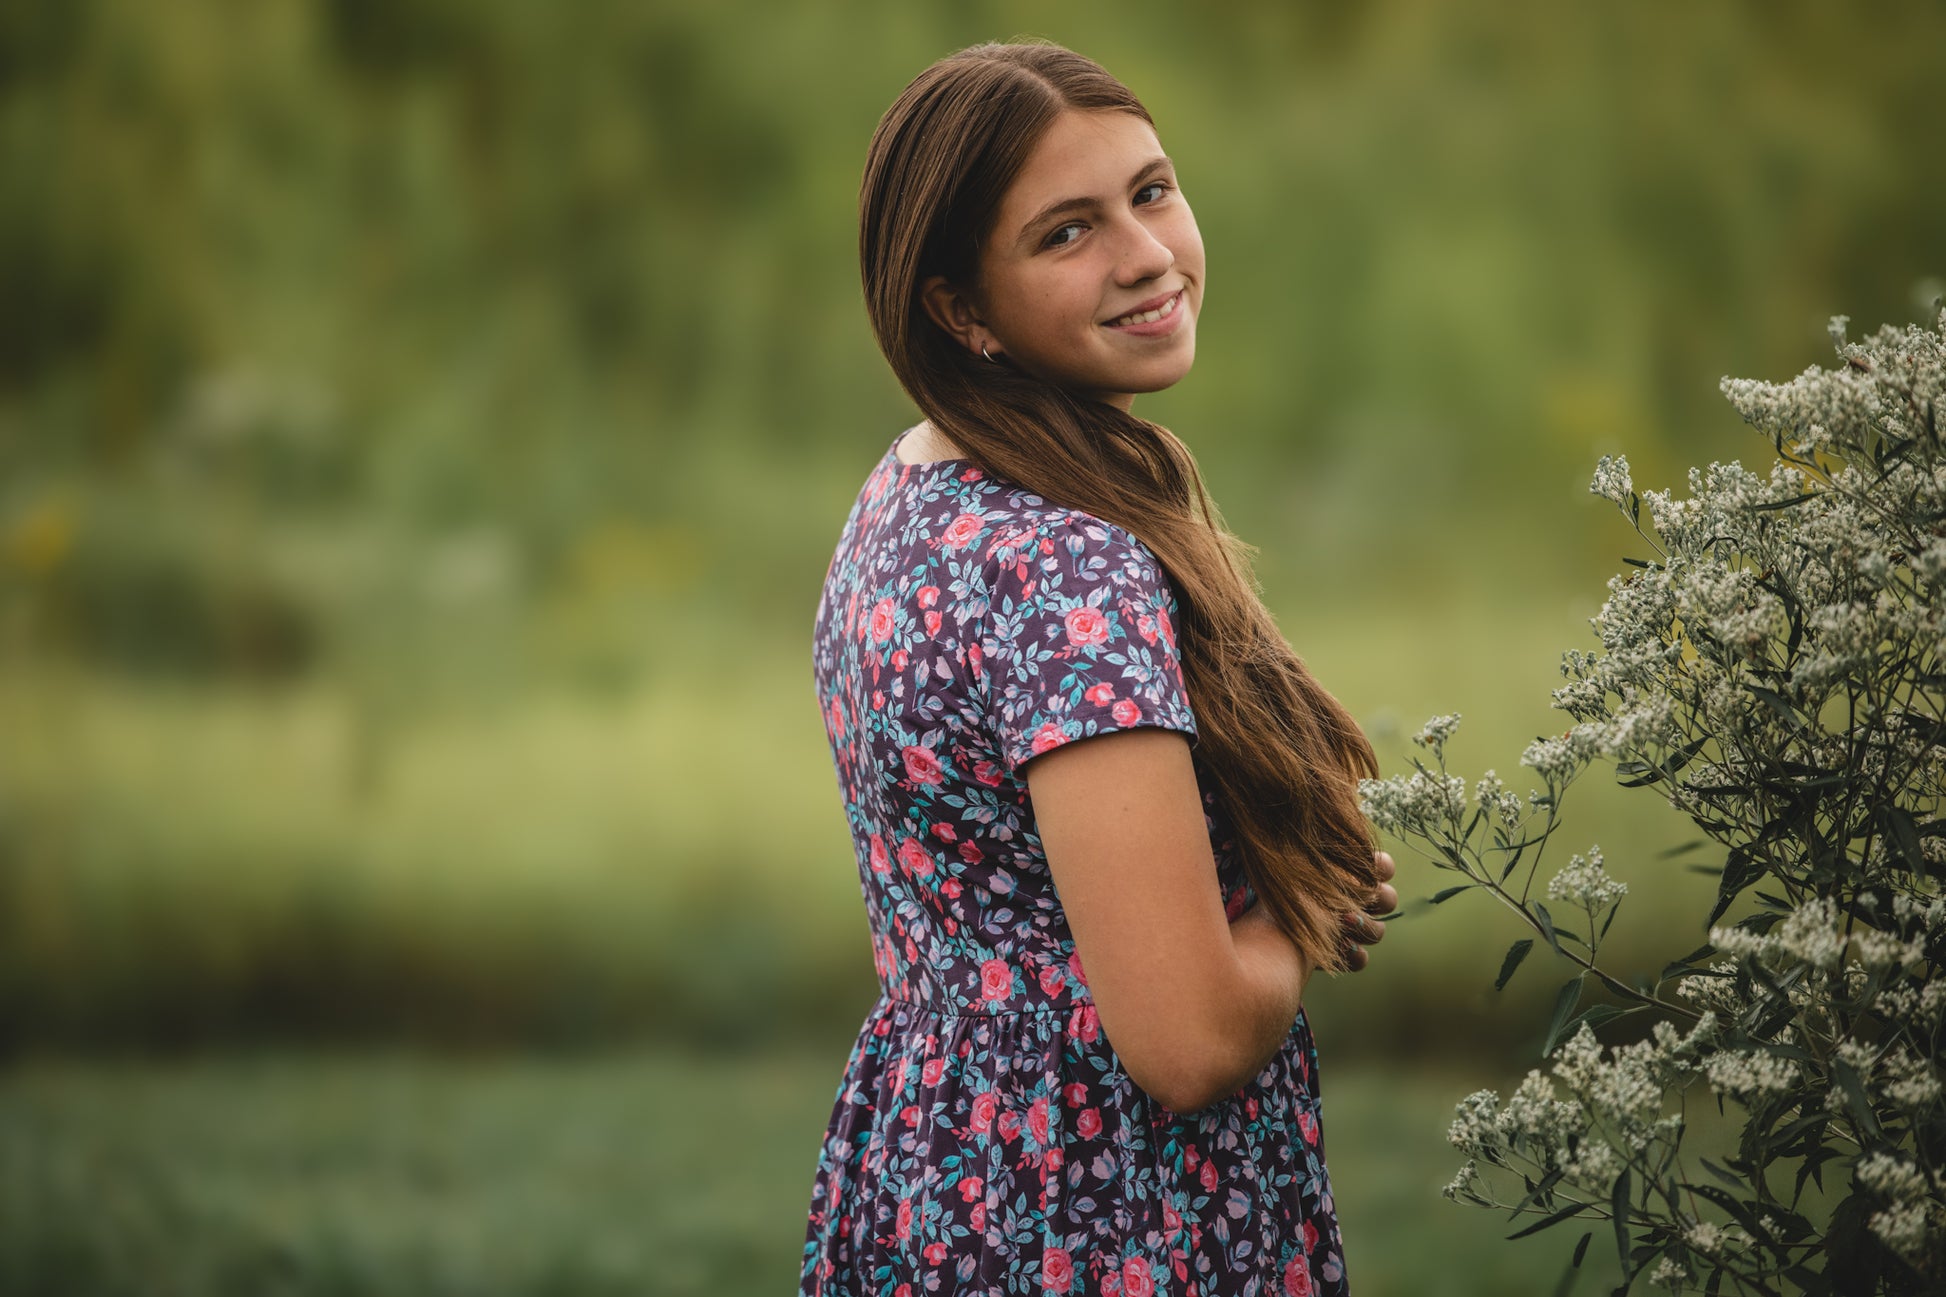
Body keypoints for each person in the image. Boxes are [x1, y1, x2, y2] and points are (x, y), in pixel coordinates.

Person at [801, 40, 1399, 1297]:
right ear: (959, 309)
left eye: (1151, 190)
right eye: (1065, 233)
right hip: (1097, 1208)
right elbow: (1183, 1042)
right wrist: (1305, 901)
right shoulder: (1062, 567)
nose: (1145, 255)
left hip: (928, 1173)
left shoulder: (908, 494)